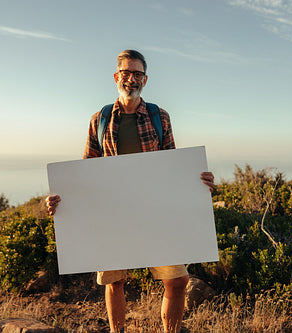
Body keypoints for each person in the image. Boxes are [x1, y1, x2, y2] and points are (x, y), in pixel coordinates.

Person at [46, 50, 215, 333]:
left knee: (177, 281)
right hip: (112, 214)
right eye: (126, 73)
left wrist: (199, 182)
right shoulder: (99, 120)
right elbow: (86, 170)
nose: (131, 79)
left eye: (138, 74)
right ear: (116, 77)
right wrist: (61, 199)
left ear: (145, 80)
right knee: (115, 282)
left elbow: (171, 164)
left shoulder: (159, 116)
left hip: (155, 212)